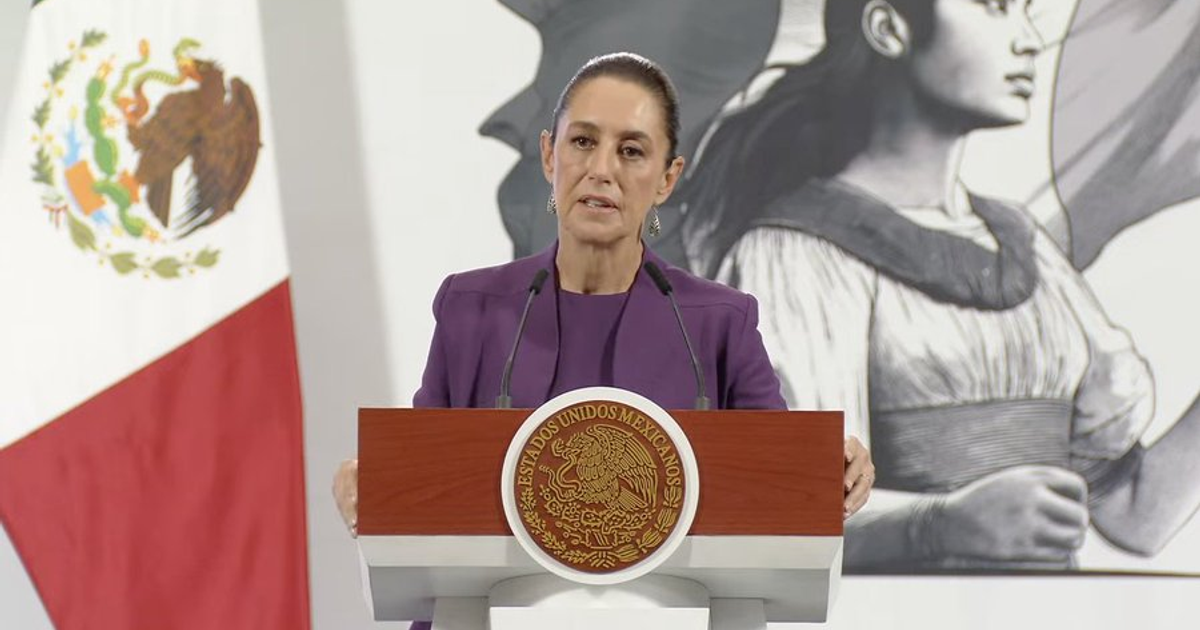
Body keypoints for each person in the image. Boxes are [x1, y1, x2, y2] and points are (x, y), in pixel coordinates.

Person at [681, 0, 1200, 571]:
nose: (1029, 41)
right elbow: (771, 516)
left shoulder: (1023, 245)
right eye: (996, 9)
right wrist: (936, 525)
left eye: (1028, 12)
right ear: (888, 27)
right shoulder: (794, 253)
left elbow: (1134, 515)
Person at [334, 52, 875, 544]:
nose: (602, 170)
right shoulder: (471, 307)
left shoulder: (718, 324)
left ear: (667, 179)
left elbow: (779, 476)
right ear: (550, 156)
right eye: (583, 142)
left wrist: (835, 465)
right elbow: (422, 471)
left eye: (632, 151)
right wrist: (371, 480)